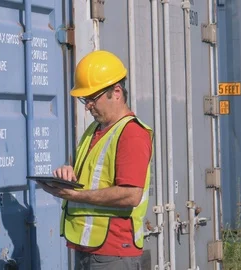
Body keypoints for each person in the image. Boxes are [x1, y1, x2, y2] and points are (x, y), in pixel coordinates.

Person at [38, 50, 153, 270]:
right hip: (89, 250)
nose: (87, 105)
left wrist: (76, 195)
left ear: (116, 92)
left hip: (114, 253)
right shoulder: (95, 129)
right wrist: (68, 174)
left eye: (92, 98)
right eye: (85, 99)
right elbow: (93, 176)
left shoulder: (132, 133)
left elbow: (131, 194)